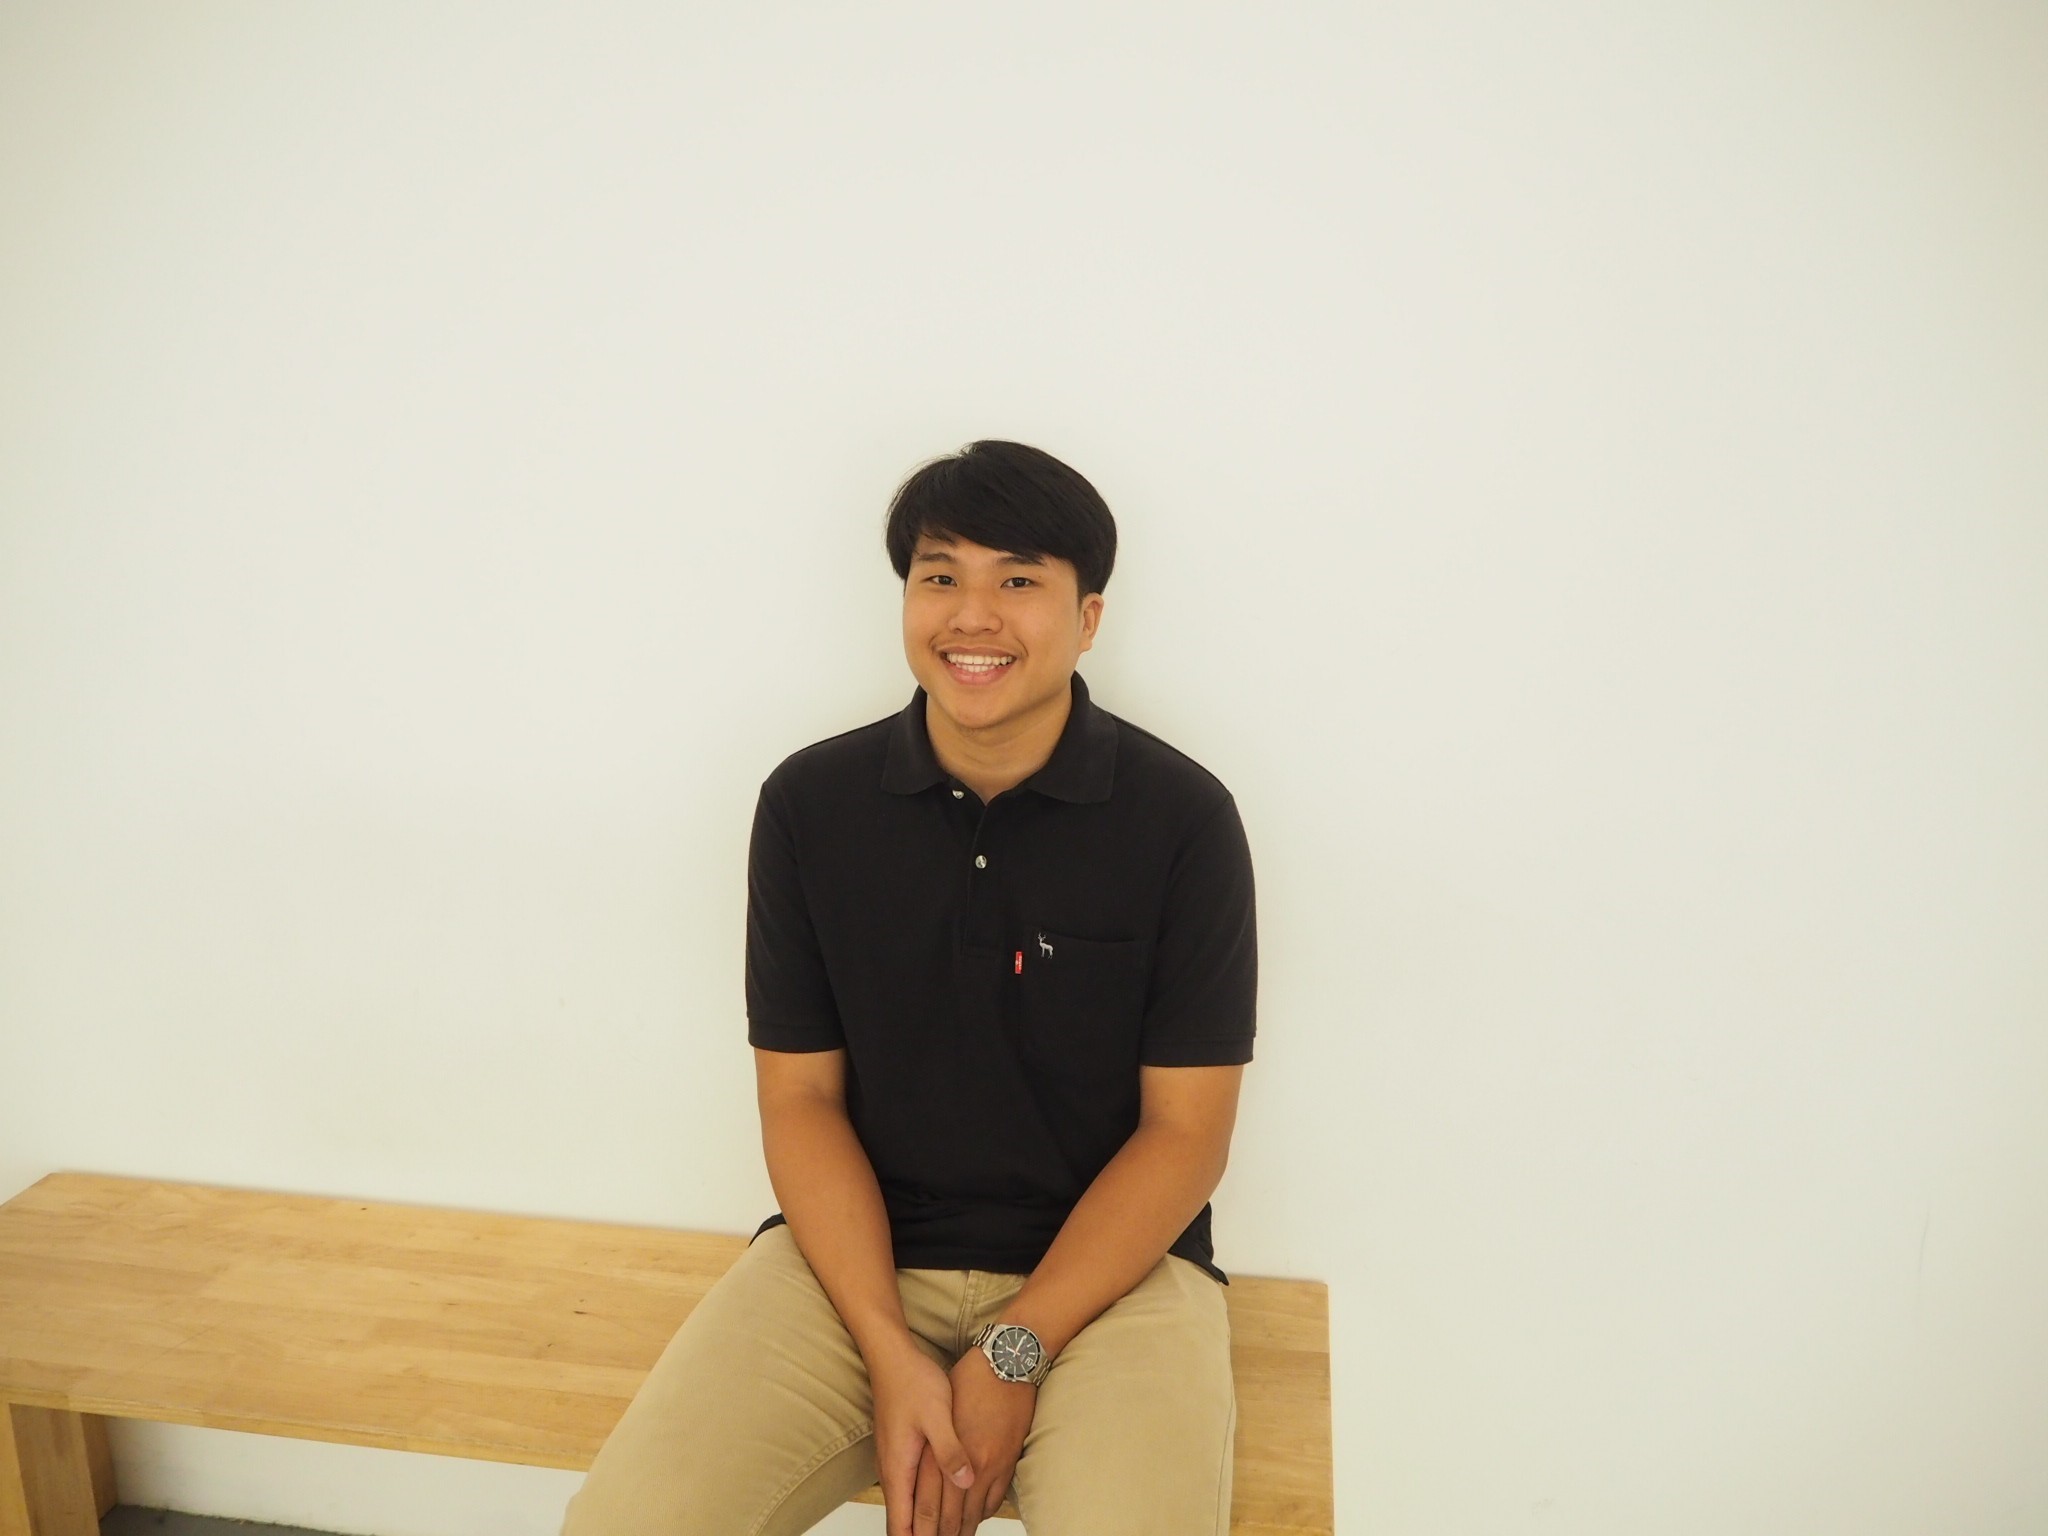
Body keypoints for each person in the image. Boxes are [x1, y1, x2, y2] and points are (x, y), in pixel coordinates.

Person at [561, 440, 1257, 1536]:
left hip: (1117, 1279)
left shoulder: (1184, 820)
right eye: (940, 576)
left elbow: (1186, 1134)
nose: (972, 616)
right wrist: (887, 1351)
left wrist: (1016, 1346)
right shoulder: (810, 805)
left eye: (1017, 580)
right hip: (856, 1267)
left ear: (1087, 619)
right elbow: (800, 1101)